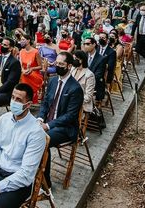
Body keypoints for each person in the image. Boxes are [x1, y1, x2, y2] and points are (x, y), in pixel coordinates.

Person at [36, 51, 83, 188]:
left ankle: (45, 183)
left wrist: (48, 126)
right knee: (25, 130)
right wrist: (39, 118)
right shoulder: (52, 81)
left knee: (42, 140)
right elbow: (45, 103)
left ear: (69, 66)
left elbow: (70, 116)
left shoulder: (75, 88)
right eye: (57, 63)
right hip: (48, 122)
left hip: (65, 128)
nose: (58, 66)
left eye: (61, 64)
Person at [0, 38, 22, 119]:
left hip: (7, 92)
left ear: (10, 48)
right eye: (2, 44)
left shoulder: (14, 62)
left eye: (5, 45)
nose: (2, 46)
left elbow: (10, 82)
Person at [18, 34, 43, 104]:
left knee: (25, 77)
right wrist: (23, 70)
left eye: (23, 40)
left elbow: (40, 66)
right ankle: (24, 98)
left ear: (28, 40)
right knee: (23, 76)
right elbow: (21, 65)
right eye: (21, 40)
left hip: (35, 73)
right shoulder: (21, 51)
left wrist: (31, 69)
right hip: (24, 72)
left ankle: (27, 99)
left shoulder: (35, 52)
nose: (21, 41)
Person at [82, 37, 106, 102]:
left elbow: (98, 75)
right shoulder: (84, 55)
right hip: (82, 82)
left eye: (87, 44)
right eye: (84, 44)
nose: (85, 46)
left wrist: (84, 80)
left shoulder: (101, 59)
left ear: (94, 44)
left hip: (95, 84)